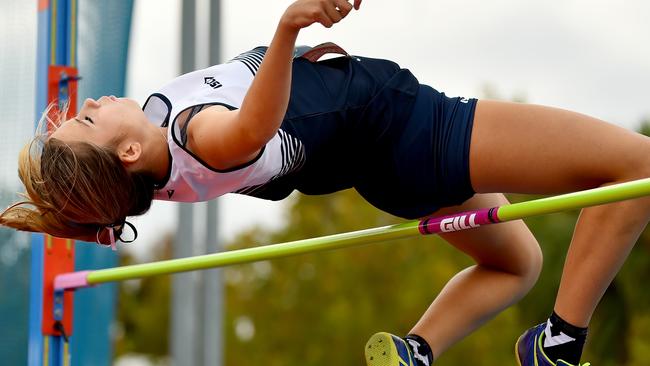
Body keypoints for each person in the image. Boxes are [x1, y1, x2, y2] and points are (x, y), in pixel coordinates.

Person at [2, 0, 648, 364]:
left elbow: (105, 191)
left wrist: (67, 203)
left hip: (385, 166)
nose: (99, 99)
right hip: (416, 131)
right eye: (91, 117)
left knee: (517, 264)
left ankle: (417, 349)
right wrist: (289, 28)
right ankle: (561, 343)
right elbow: (251, 130)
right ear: (131, 151)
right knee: (638, 170)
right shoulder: (198, 136)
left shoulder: (147, 174)